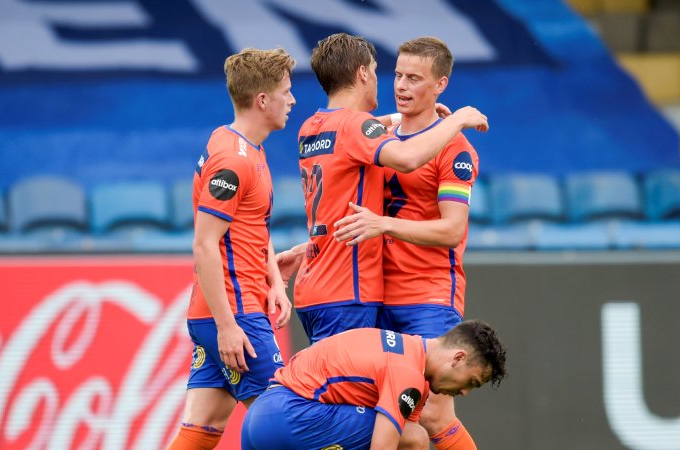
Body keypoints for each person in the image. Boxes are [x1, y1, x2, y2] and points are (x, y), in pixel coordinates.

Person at [291, 33, 489, 344]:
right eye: (397, 75)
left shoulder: (454, 149)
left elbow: (453, 231)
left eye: (413, 78)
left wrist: (383, 225)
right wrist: (454, 118)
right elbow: (396, 152)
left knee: (433, 391)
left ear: (440, 85)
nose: (400, 85)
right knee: (372, 390)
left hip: (427, 296)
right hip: (376, 295)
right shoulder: (377, 139)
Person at [167, 48, 295, 450]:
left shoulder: (243, 145)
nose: (292, 100)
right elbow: (204, 245)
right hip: (235, 317)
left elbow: (253, 223)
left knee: (201, 428)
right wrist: (227, 326)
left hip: (226, 311)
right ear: (262, 100)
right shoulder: (232, 160)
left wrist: (274, 279)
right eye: (286, 92)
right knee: (287, 427)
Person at [241, 320, 507, 450]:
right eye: (471, 382)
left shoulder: (407, 352)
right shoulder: (408, 372)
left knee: (407, 433)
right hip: (290, 417)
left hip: (260, 416)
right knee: (415, 439)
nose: (464, 392)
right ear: (457, 358)